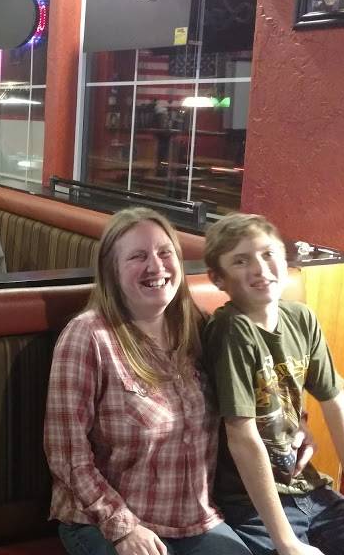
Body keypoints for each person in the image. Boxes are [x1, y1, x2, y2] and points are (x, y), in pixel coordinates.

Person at [45, 207, 302, 555]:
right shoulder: (88, 336)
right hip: (102, 523)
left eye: (165, 253)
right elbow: (67, 454)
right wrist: (123, 527)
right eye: (138, 256)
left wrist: (296, 425)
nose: (156, 266)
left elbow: (255, 394)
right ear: (111, 271)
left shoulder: (200, 327)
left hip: (198, 521)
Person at [202, 213, 344, 555]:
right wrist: (286, 541)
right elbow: (241, 436)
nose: (260, 268)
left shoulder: (301, 318)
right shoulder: (231, 329)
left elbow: (337, 406)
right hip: (253, 505)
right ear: (218, 278)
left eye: (268, 254)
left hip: (310, 490)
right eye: (241, 261)